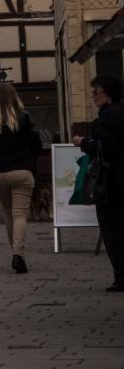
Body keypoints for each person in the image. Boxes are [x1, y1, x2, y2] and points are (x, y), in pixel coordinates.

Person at [73, 74, 124, 292]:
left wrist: (83, 142)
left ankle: (122, 277)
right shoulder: (118, 111)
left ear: (108, 94)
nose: (93, 95)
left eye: (96, 91)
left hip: (113, 182)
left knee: (112, 229)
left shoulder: (111, 115)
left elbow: (107, 147)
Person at [0, 82, 37, 274]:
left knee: (8, 214)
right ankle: (18, 254)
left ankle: (17, 255)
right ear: (14, 97)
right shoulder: (23, 117)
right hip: (21, 170)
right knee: (20, 215)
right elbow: (32, 144)